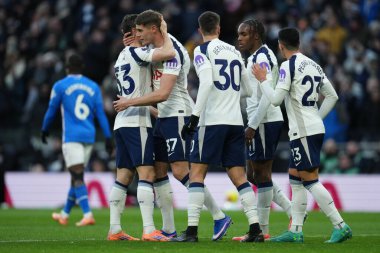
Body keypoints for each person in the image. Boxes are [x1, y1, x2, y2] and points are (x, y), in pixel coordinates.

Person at [113, 9, 230, 241]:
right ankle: (168, 229)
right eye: (134, 32)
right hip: (162, 116)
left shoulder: (172, 51)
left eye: (140, 31)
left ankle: (219, 216)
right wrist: (134, 44)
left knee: (179, 171)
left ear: (154, 29)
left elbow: (165, 93)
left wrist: (130, 102)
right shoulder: (150, 49)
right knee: (157, 171)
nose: (137, 35)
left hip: (177, 113)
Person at [252, 27, 352, 243]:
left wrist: (262, 80)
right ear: (298, 43)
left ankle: (340, 225)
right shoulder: (314, 64)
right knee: (295, 179)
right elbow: (332, 95)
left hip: (304, 131)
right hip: (309, 128)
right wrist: (317, 117)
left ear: (280, 45)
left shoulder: (288, 66)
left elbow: (276, 99)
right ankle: (296, 230)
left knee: (309, 180)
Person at [172, 11, 263, 243]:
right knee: (239, 177)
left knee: (197, 174)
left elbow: (207, 83)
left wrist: (194, 117)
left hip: (211, 122)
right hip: (235, 122)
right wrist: (229, 95)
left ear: (200, 30)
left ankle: (191, 232)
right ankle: (255, 229)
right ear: (219, 29)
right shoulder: (234, 51)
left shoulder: (202, 50)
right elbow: (249, 91)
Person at [107, 14, 176, 241]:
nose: (144, 33)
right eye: (141, 30)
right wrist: (163, 30)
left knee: (123, 176)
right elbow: (169, 52)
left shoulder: (121, 56)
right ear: (134, 32)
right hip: (137, 123)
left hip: (122, 122)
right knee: (146, 173)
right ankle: (148, 230)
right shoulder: (138, 53)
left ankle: (115, 229)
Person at [233, 19, 292, 241]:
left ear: (256, 35)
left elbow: (268, 98)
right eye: (239, 34)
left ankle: (262, 230)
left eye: (244, 34)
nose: (239, 38)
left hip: (265, 121)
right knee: (252, 175)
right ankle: (293, 211)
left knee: (262, 174)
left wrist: (252, 125)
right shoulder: (253, 58)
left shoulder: (263, 57)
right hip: (258, 121)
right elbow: (251, 94)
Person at [41, 53, 113, 226]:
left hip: (72, 137)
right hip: (89, 137)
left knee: (77, 176)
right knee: (76, 177)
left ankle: (88, 214)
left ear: (67, 68)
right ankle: (65, 214)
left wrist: (44, 128)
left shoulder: (60, 85)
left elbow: (51, 110)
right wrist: (108, 137)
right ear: (82, 68)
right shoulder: (93, 86)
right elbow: (101, 114)